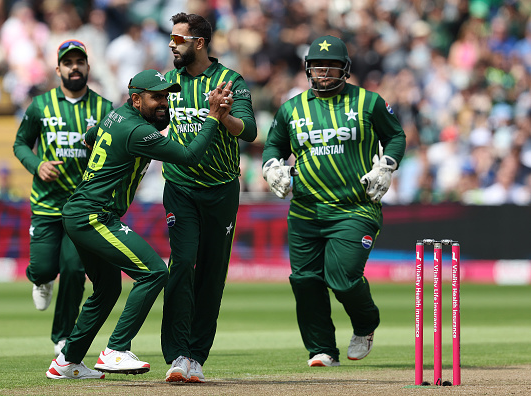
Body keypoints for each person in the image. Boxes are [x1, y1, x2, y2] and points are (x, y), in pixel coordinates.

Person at [46, 69, 233, 379]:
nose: (164, 103)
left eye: (166, 97)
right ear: (136, 99)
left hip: (81, 213)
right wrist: (213, 117)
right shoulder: (138, 132)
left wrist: (99, 140)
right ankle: (116, 350)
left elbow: (90, 136)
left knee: (106, 290)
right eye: (156, 97)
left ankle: (67, 361)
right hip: (94, 215)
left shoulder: (116, 116)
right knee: (154, 272)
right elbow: (189, 156)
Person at [261, 35, 406, 367]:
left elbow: (396, 135)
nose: (324, 71)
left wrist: (387, 165)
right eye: (318, 65)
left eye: (332, 66)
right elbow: (274, 147)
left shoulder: (368, 102)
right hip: (305, 209)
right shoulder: (291, 108)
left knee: (342, 277)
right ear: (308, 69)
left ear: (346, 70)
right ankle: (322, 349)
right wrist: (271, 167)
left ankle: (366, 323)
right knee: (305, 280)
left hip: (355, 206)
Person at [161, 12, 257, 383]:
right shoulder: (168, 81)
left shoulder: (230, 81)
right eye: (171, 38)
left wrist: (223, 115)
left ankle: (196, 356)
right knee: (182, 264)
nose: (171, 44)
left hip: (220, 191)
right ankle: (176, 355)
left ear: (198, 43)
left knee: (212, 274)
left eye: (178, 39)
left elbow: (248, 131)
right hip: (180, 187)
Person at [13, 39, 113, 356]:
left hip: (82, 207)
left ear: (87, 66)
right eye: (68, 63)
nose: (74, 68)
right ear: (58, 69)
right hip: (46, 203)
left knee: (73, 269)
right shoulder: (40, 106)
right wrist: (37, 165)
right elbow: (20, 145)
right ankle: (41, 280)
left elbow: (116, 153)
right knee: (44, 269)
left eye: (79, 62)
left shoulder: (105, 109)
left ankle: (63, 337)